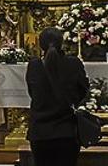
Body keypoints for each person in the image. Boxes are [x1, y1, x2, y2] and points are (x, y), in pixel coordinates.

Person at [26, 27, 89, 166]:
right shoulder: (74, 63)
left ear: (41, 45)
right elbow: (83, 90)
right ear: (62, 43)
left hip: (40, 132)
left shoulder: (34, 65)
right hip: (66, 130)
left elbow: (32, 93)